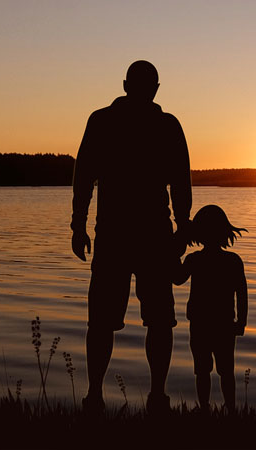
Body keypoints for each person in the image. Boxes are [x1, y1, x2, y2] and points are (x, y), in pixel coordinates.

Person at [71, 60, 192, 415]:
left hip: (132, 234)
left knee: (136, 320)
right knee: (144, 320)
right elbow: (181, 182)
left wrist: (78, 224)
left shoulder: (107, 121)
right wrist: (182, 226)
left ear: (126, 84)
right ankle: (140, 396)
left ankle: (115, 397)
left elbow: (83, 178)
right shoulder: (156, 124)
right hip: (136, 234)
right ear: (154, 88)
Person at [173, 204, 248, 412]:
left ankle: (207, 407)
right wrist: (241, 322)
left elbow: (176, 278)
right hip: (222, 324)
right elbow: (242, 294)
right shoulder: (232, 261)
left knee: (205, 370)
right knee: (223, 370)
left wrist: (171, 252)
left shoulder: (194, 260)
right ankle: (228, 408)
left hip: (203, 324)